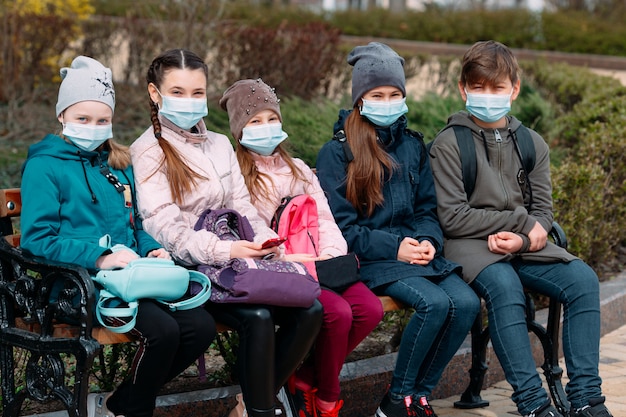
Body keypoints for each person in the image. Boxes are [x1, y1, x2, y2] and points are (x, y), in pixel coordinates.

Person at [129, 49, 323, 417]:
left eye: (197, 93)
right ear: (155, 94)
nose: (190, 102)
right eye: (178, 92)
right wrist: (227, 252)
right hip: (193, 267)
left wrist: (264, 240)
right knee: (259, 317)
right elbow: (165, 228)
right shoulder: (149, 150)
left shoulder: (218, 143)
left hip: (238, 260)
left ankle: (249, 404)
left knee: (310, 309)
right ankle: (260, 409)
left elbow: (242, 205)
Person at [19, 56, 216, 417]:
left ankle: (123, 402)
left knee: (199, 326)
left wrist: (153, 249)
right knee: (163, 332)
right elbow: (36, 239)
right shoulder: (44, 167)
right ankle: (135, 410)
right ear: (62, 116)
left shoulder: (115, 166)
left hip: (130, 280)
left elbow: (135, 226)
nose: (93, 127)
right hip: (76, 286)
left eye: (102, 120)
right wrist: (99, 257)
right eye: (83, 118)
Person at [428, 40, 613, 417]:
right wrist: (519, 223)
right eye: (478, 87)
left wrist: (526, 237)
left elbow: (543, 211)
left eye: (497, 88)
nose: (487, 95)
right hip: (468, 244)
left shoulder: (532, 143)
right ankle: (532, 401)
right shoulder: (448, 145)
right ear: (463, 89)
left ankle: (586, 398)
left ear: (514, 89)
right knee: (504, 287)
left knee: (582, 280)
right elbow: (453, 217)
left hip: (524, 240)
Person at [316, 42, 480, 417]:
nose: (387, 101)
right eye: (377, 94)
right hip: (374, 259)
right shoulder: (337, 152)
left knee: (467, 303)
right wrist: (396, 248)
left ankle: (417, 396)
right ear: (360, 98)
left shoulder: (411, 146)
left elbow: (426, 208)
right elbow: (342, 229)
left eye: (395, 94)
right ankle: (395, 402)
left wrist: (428, 241)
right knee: (435, 304)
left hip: (417, 254)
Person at [219, 78, 385, 417]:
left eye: (272, 119)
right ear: (239, 130)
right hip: (285, 268)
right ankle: (327, 399)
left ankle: (305, 376)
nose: (266, 128)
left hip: (320, 261)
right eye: (255, 121)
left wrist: (331, 252)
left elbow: (323, 215)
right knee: (336, 313)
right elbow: (252, 227)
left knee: (370, 309)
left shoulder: (298, 169)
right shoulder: (237, 174)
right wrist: (293, 258)